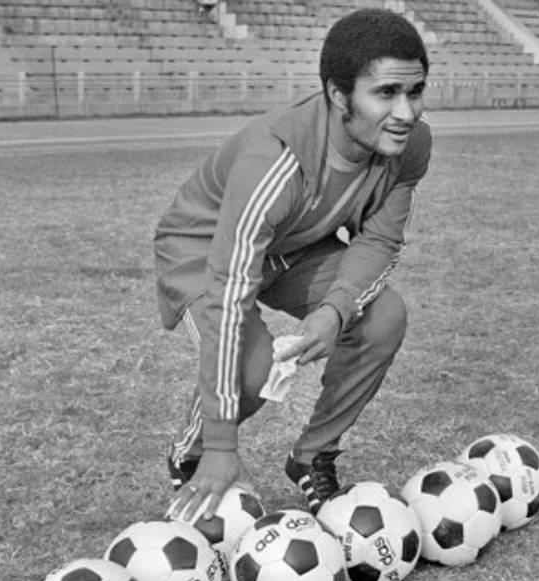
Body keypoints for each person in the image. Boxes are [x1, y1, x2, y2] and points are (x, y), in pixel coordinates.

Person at [157, 8, 432, 521]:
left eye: (414, 92)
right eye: (386, 93)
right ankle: (192, 454)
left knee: (383, 317)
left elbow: (379, 238)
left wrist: (335, 310)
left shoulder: (410, 146)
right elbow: (228, 295)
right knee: (253, 368)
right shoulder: (273, 161)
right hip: (205, 250)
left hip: (295, 246)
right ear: (338, 93)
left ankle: (312, 455)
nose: (406, 112)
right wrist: (221, 445)